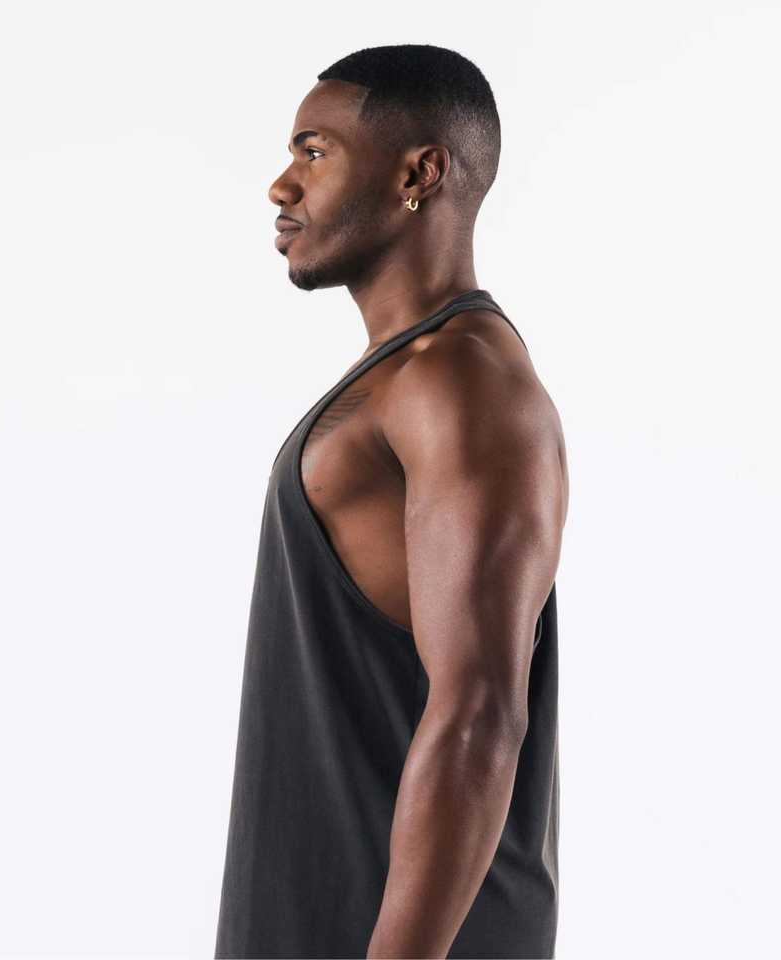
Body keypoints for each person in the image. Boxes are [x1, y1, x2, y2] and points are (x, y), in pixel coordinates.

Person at [215, 44, 568, 959]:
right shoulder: (407, 376)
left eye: (315, 151)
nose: (282, 185)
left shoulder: (460, 382)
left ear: (419, 174)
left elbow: (480, 711)